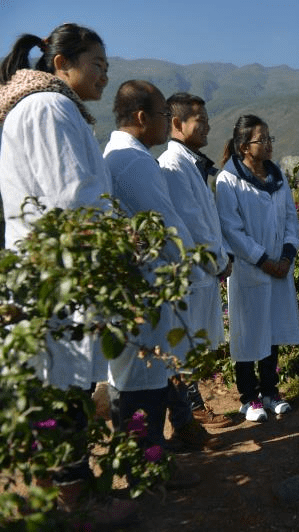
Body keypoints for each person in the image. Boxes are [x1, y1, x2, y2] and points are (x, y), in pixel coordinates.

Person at [0, 23, 136, 525]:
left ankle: (61, 499)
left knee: (62, 385)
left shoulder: (50, 108)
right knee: (64, 389)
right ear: (62, 63)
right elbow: (71, 198)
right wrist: (120, 247)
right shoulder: (49, 108)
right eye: (98, 64)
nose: (104, 75)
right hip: (57, 276)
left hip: (57, 275)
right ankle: (77, 506)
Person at [103, 80, 214, 455]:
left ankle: (155, 452)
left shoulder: (122, 155)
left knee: (146, 375)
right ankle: (146, 467)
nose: (168, 123)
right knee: (141, 383)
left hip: (140, 286)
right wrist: (198, 270)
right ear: (141, 117)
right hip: (145, 288)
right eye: (165, 115)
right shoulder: (134, 163)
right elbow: (168, 228)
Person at [215, 114, 299, 421]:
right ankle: (248, 397)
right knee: (248, 332)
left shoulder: (278, 177)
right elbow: (231, 230)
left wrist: (286, 257)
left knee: (272, 330)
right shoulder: (229, 179)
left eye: (269, 138)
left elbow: (292, 219)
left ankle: (270, 392)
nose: (267, 144)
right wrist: (264, 260)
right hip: (252, 270)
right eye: (260, 139)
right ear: (243, 146)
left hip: (279, 268)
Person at [158, 92, 233, 429]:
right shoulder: (173, 165)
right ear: (177, 124)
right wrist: (220, 261)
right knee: (184, 347)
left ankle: (192, 408)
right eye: (200, 122)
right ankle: (189, 412)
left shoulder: (190, 163)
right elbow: (193, 223)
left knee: (192, 346)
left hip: (202, 273)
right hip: (192, 273)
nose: (207, 128)